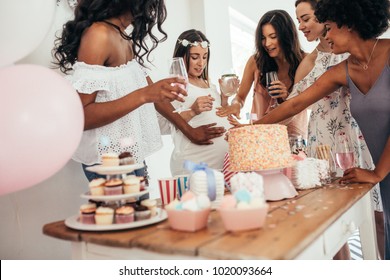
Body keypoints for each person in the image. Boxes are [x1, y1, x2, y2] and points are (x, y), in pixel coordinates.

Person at [255, 0, 390, 259]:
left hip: (383, 169)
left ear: (347, 23)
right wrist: (252, 128)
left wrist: (378, 172)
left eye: (327, 27)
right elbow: (296, 103)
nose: (325, 36)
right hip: (382, 173)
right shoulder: (344, 70)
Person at [53, 0, 225, 182]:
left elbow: (153, 94)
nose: (152, 10)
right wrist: (144, 95)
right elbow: (82, 117)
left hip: (130, 154)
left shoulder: (123, 36)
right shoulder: (99, 34)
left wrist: (190, 131)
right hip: (107, 159)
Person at [293, 0, 384, 260]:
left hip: (369, 151)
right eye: (298, 20)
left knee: (380, 221)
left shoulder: (372, 51)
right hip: (338, 152)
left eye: (307, 18)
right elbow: (295, 104)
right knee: (338, 226)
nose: (302, 26)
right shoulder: (324, 65)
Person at [216, 9, 307, 138]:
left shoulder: (305, 61)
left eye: (273, 37)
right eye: (263, 38)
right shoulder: (256, 62)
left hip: (292, 137)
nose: (267, 43)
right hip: (259, 138)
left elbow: (308, 103)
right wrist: (236, 105)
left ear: (286, 35)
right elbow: (240, 97)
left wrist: (286, 97)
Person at [163, 29, 232, 175]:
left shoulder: (209, 85)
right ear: (182, 55)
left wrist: (224, 98)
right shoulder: (175, 85)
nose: (201, 63)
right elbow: (165, 125)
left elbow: (220, 115)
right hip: (193, 165)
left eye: (205, 57)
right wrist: (193, 111)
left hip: (220, 167)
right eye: (195, 57)